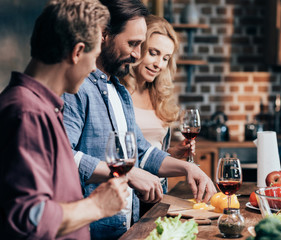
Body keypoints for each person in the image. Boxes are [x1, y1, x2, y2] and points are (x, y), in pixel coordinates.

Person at [61, 0, 217, 239]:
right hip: (89, 230)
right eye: (133, 44)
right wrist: (125, 173)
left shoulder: (117, 90)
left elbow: (142, 153)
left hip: (125, 225)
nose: (137, 55)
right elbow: (63, 157)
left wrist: (187, 168)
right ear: (104, 35)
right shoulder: (77, 88)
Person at [0, 0, 129, 239]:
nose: (93, 69)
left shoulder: (43, 108)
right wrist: (97, 206)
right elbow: (28, 219)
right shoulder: (28, 113)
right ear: (77, 52)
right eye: (95, 56)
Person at [123, 15, 195, 195]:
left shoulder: (159, 97)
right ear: (138, 48)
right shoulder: (118, 93)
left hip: (156, 191)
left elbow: (152, 151)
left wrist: (172, 153)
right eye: (153, 53)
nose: (159, 64)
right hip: (128, 191)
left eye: (165, 58)